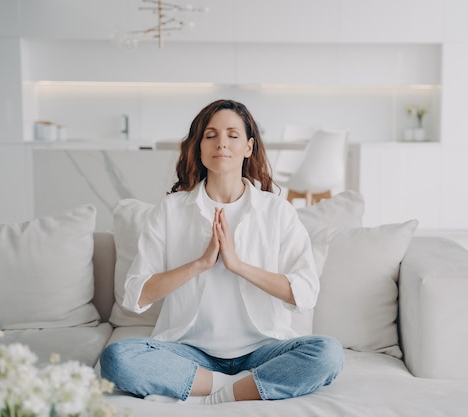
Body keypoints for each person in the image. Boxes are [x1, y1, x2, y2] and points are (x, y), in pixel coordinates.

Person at [100, 99, 344, 405]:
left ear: (248, 147)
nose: (221, 144)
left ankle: (217, 393)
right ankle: (239, 386)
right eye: (210, 135)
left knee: (328, 353)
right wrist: (201, 263)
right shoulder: (171, 210)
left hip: (263, 350)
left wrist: (239, 265)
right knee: (117, 358)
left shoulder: (277, 211)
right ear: (199, 148)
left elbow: (305, 294)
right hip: (189, 352)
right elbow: (136, 295)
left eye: (232, 135)